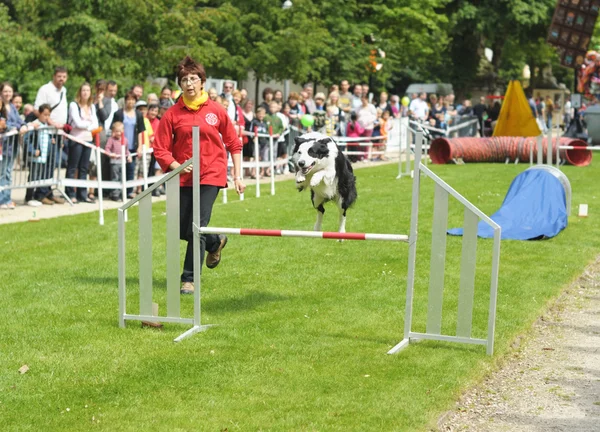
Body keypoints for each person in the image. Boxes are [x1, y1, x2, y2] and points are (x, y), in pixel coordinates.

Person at [153, 56, 245, 295]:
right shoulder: (172, 114)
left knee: (197, 226)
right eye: (184, 80)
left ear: (202, 81)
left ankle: (189, 279)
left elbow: (234, 143)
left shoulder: (216, 111)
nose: (189, 83)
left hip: (211, 174)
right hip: (182, 176)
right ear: (180, 85)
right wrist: (175, 164)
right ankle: (215, 242)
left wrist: (237, 175)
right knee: (180, 228)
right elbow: (160, 148)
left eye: (193, 78)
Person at [65, 82, 99, 203]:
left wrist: (87, 125)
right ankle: (70, 193)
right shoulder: (74, 105)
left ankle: (82, 194)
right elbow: (77, 123)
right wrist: (89, 124)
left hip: (88, 139)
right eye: (83, 90)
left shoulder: (92, 107)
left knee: (84, 168)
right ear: (80, 92)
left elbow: (95, 124)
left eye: (88, 90)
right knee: (73, 167)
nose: (85, 93)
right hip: (76, 139)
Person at [111, 90, 145, 198]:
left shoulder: (138, 115)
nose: (130, 102)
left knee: (131, 169)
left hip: (132, 146)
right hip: (119, 147)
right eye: (128, 99)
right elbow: (113, 128)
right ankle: (116, 192)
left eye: (133, 100)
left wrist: (140, 146)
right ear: (125, 101)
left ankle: (129, 191)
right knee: (118, 170)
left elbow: (140, 131)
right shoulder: (119, 113)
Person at [24, 104, 55, 206]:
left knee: (39, 177)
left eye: (48, 115)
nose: (47, 117)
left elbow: (46, 139)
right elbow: (26, 139)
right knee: (33, 176)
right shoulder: (34, 124)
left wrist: (51, 141)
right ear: (39, 113)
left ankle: (37, 196)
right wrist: (32, 151)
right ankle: (29, 197)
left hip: (44, 156)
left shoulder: (46, 126)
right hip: (35, 157)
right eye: (45, 114)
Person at [104, 122, 132, 201]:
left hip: (123, 162)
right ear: (113, 131)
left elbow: (127, 150)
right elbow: (107, 149)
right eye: (116, 131)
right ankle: (114, 194)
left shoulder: (125, 140)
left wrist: (129, 156)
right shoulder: (111, 140)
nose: (118, 133)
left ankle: (121, 194)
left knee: (122, 178)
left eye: (120, 131)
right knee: (115, 178)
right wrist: (110, 154)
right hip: (114, 162)